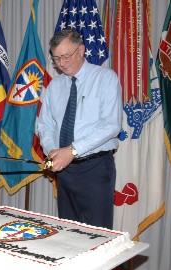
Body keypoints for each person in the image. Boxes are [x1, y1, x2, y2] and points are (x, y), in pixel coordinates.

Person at [38, 29, 122, 229]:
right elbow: (45, 126)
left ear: (81, 50)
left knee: (97, 235)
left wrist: (72, 150)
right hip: (64, 171)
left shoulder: (105, 78)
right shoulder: (54, 87)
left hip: (95, 169)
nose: (62, 63)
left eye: (66, 56)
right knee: (69, 234)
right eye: (56, 58)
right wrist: (53, 150)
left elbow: (111, 125)